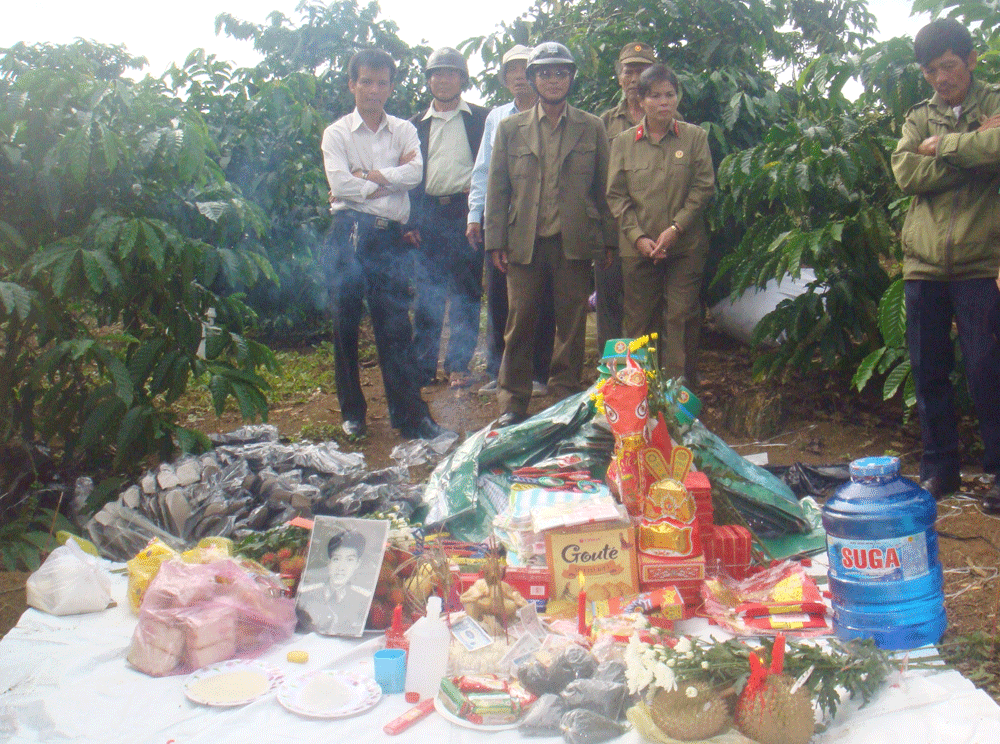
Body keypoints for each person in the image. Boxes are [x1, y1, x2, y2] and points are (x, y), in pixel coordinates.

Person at [891, 18, 1000, 508]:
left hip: (981, 260)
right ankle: (940, 470)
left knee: (987, 369)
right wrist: (974, 151)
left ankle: (998, 472)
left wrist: (945, 146)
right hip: (925, 264)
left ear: (971, 61)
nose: (941, 78)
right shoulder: (919, 116)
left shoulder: (994, 102)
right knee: (927, 368)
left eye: (950, 66)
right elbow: (905, 172)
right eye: (932, 70)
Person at [485, 42, 617, 427]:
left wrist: (608, 239)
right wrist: (496, 240)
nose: (553, 79)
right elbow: (498, 188)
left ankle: (564, 397)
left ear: (571, 78)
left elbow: (603, 188)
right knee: (519, 321)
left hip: (573, 242)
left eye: (561, 72)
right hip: (523, 242)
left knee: (571, 325)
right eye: (545, 72)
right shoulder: (511, 128)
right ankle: (512, 401)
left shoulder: (591, 127)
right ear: (532, 79)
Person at [320, 47, 449, 441]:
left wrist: (368, 176)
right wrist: (385, 184)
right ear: (352, 84)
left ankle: (410, 416)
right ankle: (353, 414)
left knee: (394, 328)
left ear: (391, 86)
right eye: (366, 82)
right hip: (346, 234)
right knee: (344, 327)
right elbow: (339, 184)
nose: (374, 90)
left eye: (381, 82)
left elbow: (414, 174)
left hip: (387, 239)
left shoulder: (405, 130)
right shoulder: (337, 133)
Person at [605, 63, 715, 384]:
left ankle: (678, 396)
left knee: (680, 318)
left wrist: (676, 229)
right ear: (640, 101)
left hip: (685, 247)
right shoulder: (623, 143)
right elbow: (616, 195)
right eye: (655, 96)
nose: (663, 102)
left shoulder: (695, 138)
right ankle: (640, 394)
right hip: (638, 249)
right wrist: (639, 238)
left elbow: (703, 187)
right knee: (639, 323)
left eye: (670, 94)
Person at [466, 44, 556, 398]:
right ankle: (499, 371)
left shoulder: (551, 113)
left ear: (535, 74)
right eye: (512, 71)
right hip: (504, 219)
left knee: (541, 298)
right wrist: (476, 214)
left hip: (543, 219)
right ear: (505, 79)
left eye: (525, 69)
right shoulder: (497, 117)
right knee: (501, 298)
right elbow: (484, 170)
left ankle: (538, 372)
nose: (519, 77)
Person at [405, 48, 490, 389]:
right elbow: (408, 176)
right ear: (428, 81)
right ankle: (423, 366)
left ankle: (459, 365)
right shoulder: (413, 126)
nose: (443, 80)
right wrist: (409, 222)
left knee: (466, 291)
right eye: (436, 74)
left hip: (466, 214)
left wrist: (481, 213)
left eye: (451, 73)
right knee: (427, 293)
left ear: (463, 79)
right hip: (428, 214)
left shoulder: (481, 119)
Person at [596, 41, 657, 353]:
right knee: (609, 305)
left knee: (649, 307)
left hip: (654, 229)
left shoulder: (671, 119)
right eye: (628, 70)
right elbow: (597, 182)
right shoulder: (603, 123)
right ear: (619, 77)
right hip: (613, 229)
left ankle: (648, 375)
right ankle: (612, 378)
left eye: (642, 70)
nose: (634, 77)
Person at [297, 531, 372, 636]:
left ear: (357, 564)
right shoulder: (305, 594)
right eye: (336, 559)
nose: (341, 567)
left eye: (350, 560)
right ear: (329, 562)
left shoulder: (365, 599)